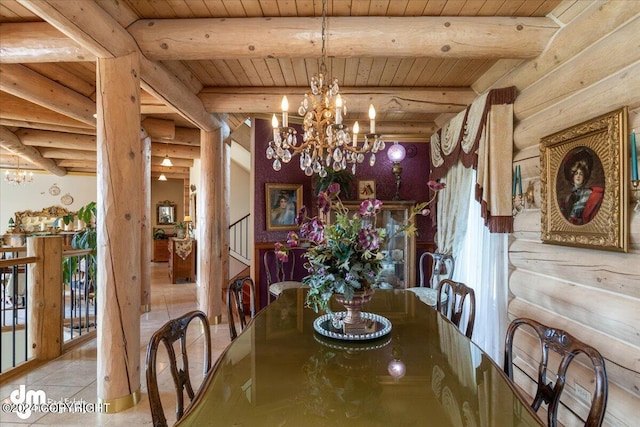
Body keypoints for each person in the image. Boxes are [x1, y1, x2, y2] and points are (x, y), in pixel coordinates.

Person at [559, 149, 604, 225]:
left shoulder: (589, 194)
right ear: (572, 175)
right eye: (576, 173)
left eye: (581, 174)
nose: (578, 176)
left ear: (584, 176)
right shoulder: (568, 197)